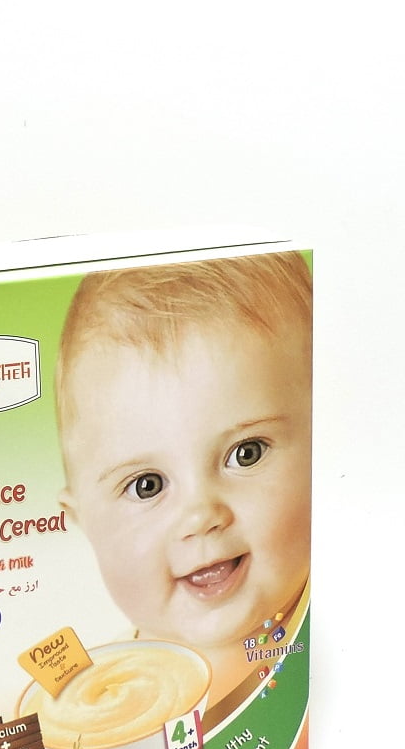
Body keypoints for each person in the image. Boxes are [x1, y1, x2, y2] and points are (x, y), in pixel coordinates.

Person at [55, 249, 312, 711]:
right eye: (147, 485)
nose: (200, 516)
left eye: (246, 454)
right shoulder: (93, 698)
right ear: (81, 520)